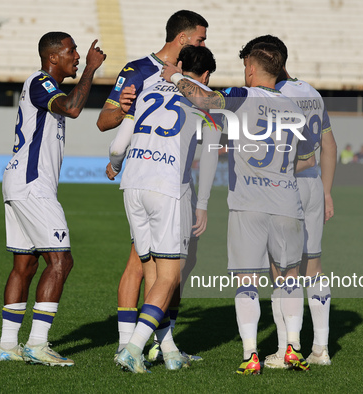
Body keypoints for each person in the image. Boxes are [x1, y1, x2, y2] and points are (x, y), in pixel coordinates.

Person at [162, 42, 316, 375]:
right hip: (288, 202)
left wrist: (175, 78)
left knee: (247, 281)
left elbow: (204, 100)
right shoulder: (296, 108)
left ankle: (251, 355)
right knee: (288, 278)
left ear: (250, 68)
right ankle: (291, 348)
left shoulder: (240, 94)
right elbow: (306, 160)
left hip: (249, 203)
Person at [96, 10, 208, 363]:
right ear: (184, 37)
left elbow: (119, 142)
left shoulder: (184, 78)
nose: (204, 44)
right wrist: (123, 106)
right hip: (162, 181)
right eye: (201, 39)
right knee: (149, 267)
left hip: (138, 180)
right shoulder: (138, 70)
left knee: (158, 267)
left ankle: (167, 348)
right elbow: (105, 120)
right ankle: (128, 344)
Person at [0, 31, 106, 366]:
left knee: (25, 264)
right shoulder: (41, 82)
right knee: (61, 262)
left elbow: (66, 105)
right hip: (32, 185)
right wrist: (90, 69)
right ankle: (38, 344)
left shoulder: (48, 87)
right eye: (71, 51)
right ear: (53, 57)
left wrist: (85, 68)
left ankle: (7, 345)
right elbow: (73, 108)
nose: (75, 56)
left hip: (22, 182)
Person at [238, 35, 337, 369]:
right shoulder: (310, 92)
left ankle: (286, 349)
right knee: (314, 268)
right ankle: (321, 348)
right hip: (312, 186)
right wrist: (326, 190)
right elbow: (329, 145)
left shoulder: (271, 95)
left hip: (285, 187)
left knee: (282, 271)